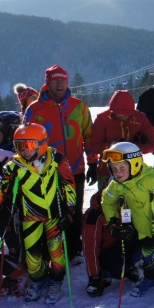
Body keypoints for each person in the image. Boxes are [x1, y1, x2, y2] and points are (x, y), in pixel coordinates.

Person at [0, 123, 76, 305]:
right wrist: (4, 206)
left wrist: (69, 211)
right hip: (30, 215)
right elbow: (2, 190)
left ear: (42, 144)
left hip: (54, 214)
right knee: (32, 256)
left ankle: (55, 282)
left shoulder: (57, 159)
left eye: (29, 145)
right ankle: (38, 280)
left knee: (56, 252)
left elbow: (68, 184)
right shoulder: (14, 166)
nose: (24, 151)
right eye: (19, 146)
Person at [24, 64, 93, 261]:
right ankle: (49, 252)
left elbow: (88, 135)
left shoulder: (79, 106)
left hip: (75, 169)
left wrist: (93, 161)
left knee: (74, 211)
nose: (60, 84)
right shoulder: (34, 109)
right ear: (48, 83)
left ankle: (73, 250)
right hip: (45, 171)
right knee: (49, 211)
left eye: (63, 80)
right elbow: (26, 140)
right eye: (56, 80)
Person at [100, 142, 154, 308]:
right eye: (114, 168)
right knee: (148, 256)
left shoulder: (150, 181)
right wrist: (113, 222)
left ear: (135, 164)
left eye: (122, 167)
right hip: (143, 230)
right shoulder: (117, 185)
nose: (118, 172)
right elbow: (107, 201)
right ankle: (150, 279)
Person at [90, 90, 154, 190]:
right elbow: (94, 146)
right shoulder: (102, 119)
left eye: (126, 114)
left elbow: (153, 144)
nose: (122, 116)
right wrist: (111, 145)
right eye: (118, 114)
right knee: (106, 198)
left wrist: (132, 147)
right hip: (107, 171)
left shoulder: (140, 118)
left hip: (135, 170)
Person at [0, 112, 25, 296]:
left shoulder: (12, 154)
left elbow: (8, 157)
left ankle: (17, 271)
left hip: (10, 208)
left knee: (13, 240)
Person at [82, 191, 142, 297]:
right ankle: (103, 272)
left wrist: (130, 228)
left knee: (142, 240)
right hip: (105, 250)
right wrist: (94, 277)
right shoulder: (95, 215)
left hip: (119, 244)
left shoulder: (125, 205)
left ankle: (130, 265)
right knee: (119, 271)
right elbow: (90, 249)